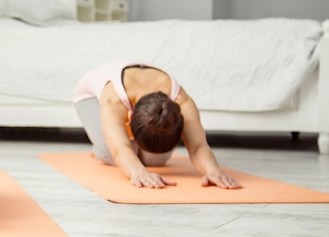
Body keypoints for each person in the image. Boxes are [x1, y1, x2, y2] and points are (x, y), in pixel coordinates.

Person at [73, 60, 241, 190]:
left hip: (141, 89)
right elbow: (120, 150)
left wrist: (213, 170)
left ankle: (130, 145)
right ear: (130, 120)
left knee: (155, 159)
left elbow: (198, 146)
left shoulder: (182, 101)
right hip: (90, 95)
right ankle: (99, 146)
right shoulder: (113, 100)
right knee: (108, 153)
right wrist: (137, 171)